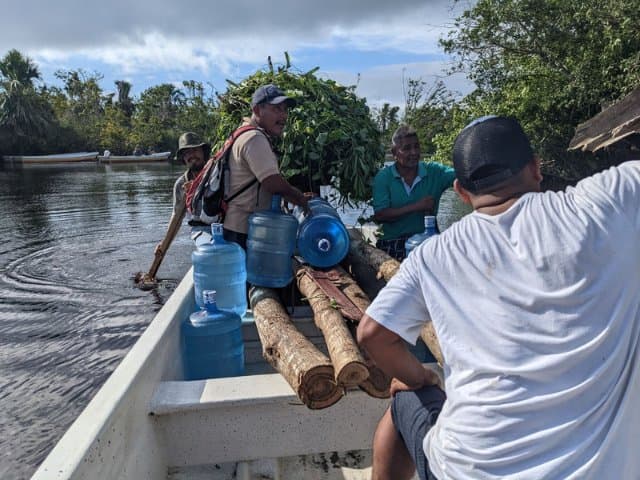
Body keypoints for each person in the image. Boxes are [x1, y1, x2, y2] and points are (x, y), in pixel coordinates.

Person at [357, 115, 640, 480]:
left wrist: (422, 379)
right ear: (536, 168)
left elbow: (372, 335)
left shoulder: (434, 255)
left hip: (467, 471)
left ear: (460, 191)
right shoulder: (607, 203)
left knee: (404, 400)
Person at [222, 83, 309, 249]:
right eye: (276, 109)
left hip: (238, 227)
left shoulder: (241, 132)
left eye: (285, 110)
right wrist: (299, 199)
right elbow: (273, 184)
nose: (283, 116)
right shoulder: (254, 138)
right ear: (257, 110)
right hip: (243, 231)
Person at [372, 125, 455, 260]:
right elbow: (381, 215)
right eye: (406, 148)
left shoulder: (434, 172)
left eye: (416, 147)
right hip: (393, 242)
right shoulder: (383, 177)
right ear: (394, 153)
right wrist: (417, 206)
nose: (414, 152)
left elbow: (463, 175)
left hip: (426, 242)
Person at [155, 132, 211, 257]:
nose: (192, 155)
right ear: (183, 158)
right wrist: (164, 244)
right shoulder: (181, 184)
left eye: (195, 150)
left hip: (225, 227)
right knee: (209, 250)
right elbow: (176, 217)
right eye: (187, 153)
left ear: (203, 152)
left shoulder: (217, 173)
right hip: (201, 231)